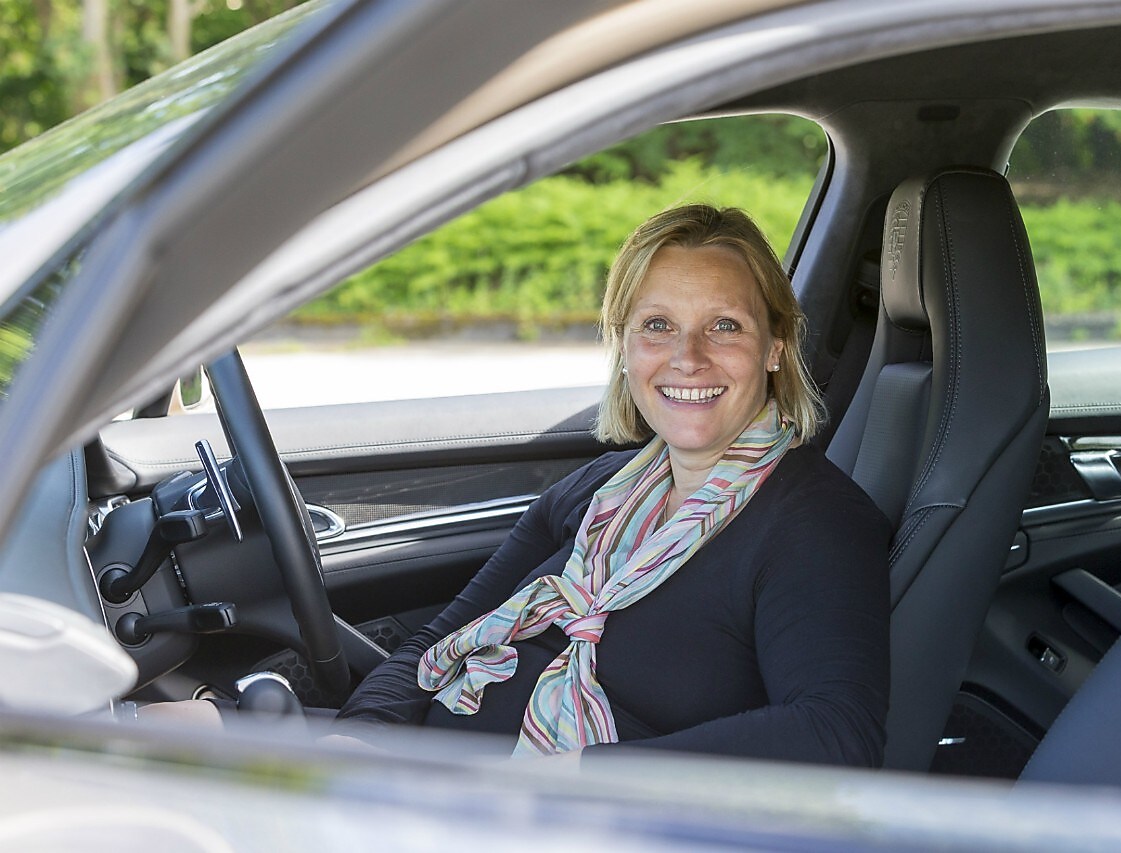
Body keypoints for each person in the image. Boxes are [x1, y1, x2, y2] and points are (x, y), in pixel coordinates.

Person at [332, 204, 891, 766]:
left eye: (724, 326)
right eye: (657, 326)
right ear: (624, 349)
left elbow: (835, 732)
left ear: (776, 347)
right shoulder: (599, 489)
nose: (687, 357)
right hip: (424, 792)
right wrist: (357, 735)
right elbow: (440, 639)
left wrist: (581, 779)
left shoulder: (816, 523)